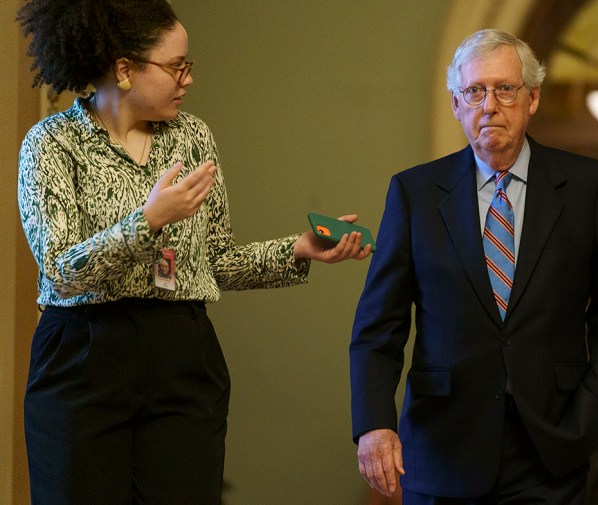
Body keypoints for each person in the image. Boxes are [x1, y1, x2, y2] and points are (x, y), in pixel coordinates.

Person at [16, 1, 371, 503]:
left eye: (189, 66)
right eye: (176, 67)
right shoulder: (51, 143)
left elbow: (216, 261)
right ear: (124, 68)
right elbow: (59, 270)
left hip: (181, 352)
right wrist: (148, 221)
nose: (187, 79)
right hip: (82, 356)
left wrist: (298, 250)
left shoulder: (193, 136)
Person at [350, 29, 598, 504]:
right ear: (456, 104)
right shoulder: (415, 194)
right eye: (475, 91)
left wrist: (593, 408)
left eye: (505, 89)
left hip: (552, 445)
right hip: (444, 444)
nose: (490, 105)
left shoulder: (586, 187)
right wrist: (374, 424)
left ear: (532, 99)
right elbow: (378, 326)